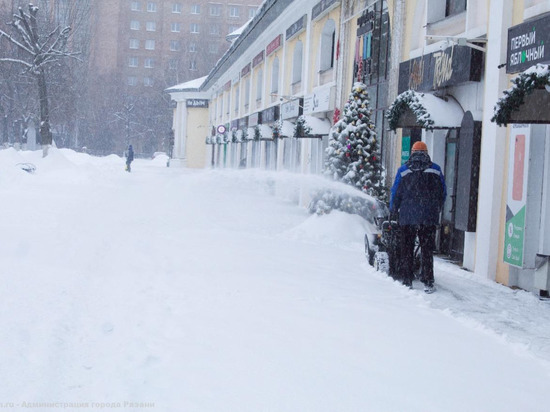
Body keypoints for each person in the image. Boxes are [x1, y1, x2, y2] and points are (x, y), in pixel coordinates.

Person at [390, 141, 446, 293]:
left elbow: (396, 193)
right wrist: (437, 208)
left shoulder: (403, 171)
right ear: (426, 152)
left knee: (407, 248)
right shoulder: (436, 170)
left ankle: (407, 279)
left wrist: (393, 210)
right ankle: (428, 281)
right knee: (427, 250)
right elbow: (443, 193)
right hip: (428, 218)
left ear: (412, 153)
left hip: (407, 217)